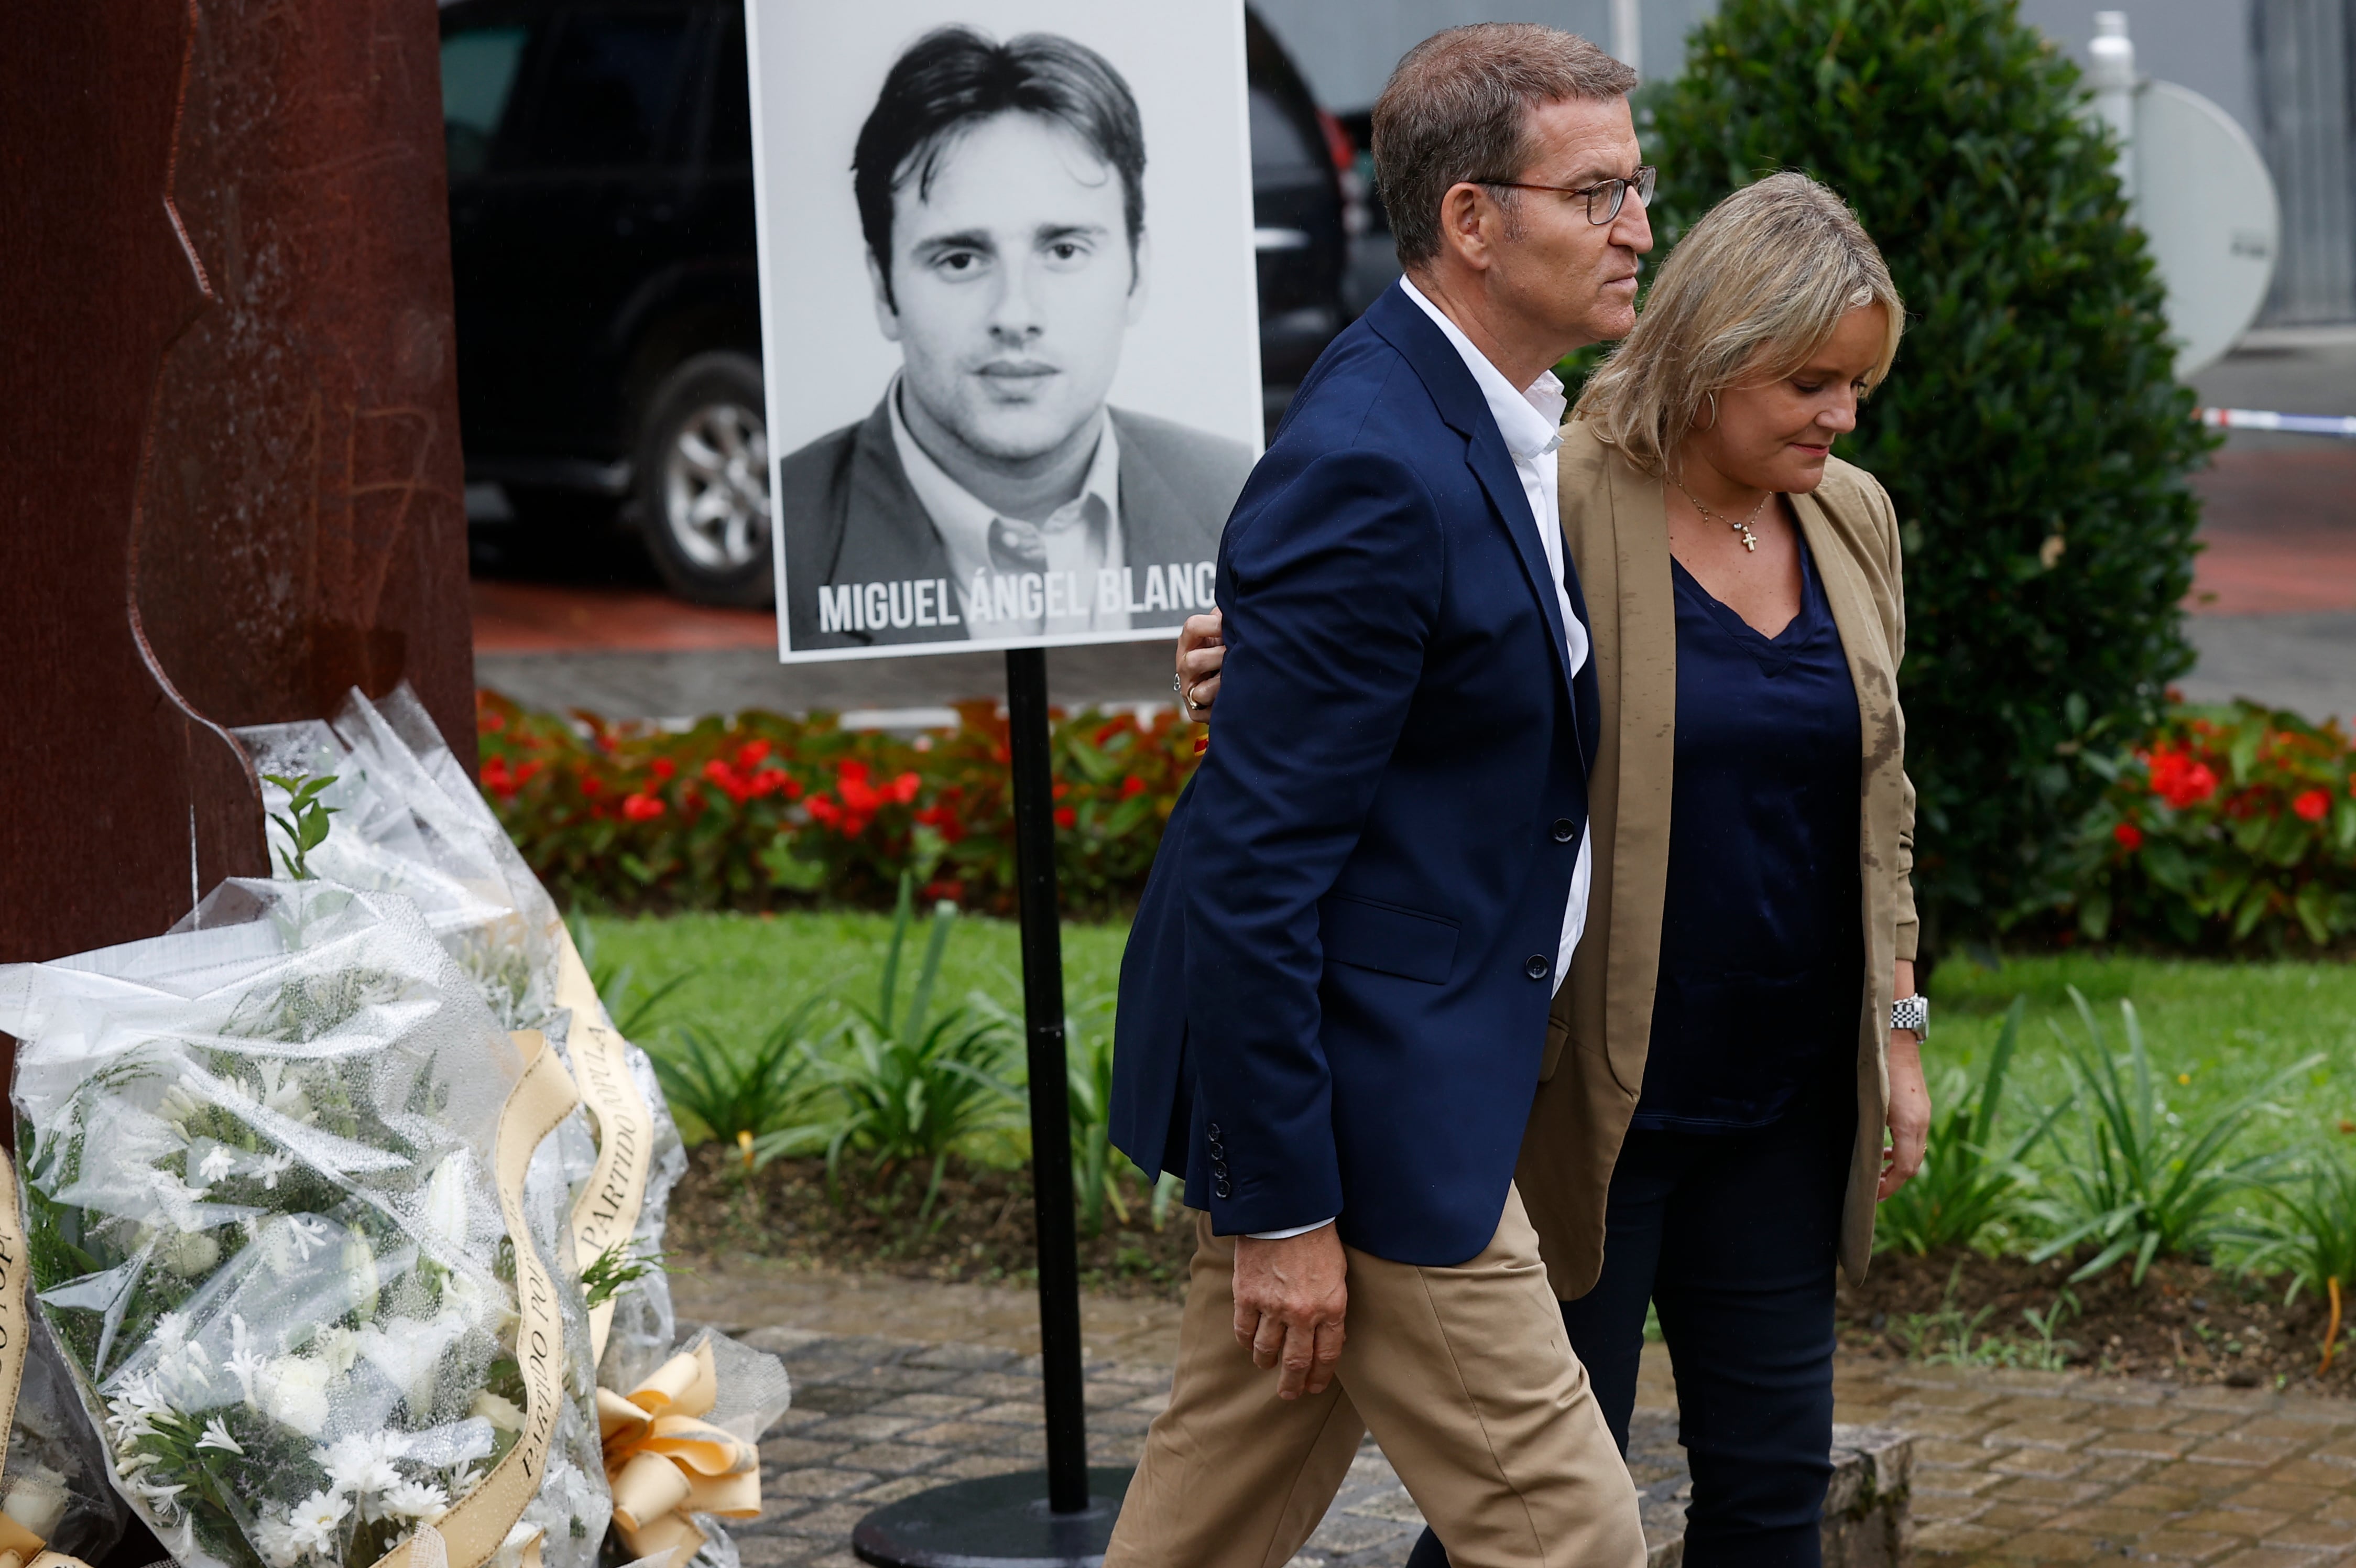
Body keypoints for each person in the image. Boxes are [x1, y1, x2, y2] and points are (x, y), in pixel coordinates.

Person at [1177, 172, 1932, 1566]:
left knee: (1773, 1499)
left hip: (1780, 1097)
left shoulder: (1850, 519)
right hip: (1579, 1087)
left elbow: (1879, 798)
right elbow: (1414, 666)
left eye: (1858, 388)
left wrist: (1896, 1029)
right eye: (1809, 381)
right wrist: (1256, 671)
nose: (1839, 415)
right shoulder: (1561, 488)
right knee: (1525, 1510)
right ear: (1714, 354)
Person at [1104, 25, 1654, 1568]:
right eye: (1596, 190)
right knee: (1572, 1532)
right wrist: (1280, 1211)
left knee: (1204, 1527)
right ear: (1470, 219)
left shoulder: (1496, 418)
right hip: (1371, 1101)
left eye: (1637, 182)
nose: (1636, 226)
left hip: (1397, 1072)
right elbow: (1254, 865)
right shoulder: (1374, 460)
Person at [774, 26, 1253, 653]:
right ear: (883, 289)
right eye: (959, 259)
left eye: (1062, 249)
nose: (1015, 313)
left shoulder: (1239, 498)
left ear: (1136, 272)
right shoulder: (786, 531)